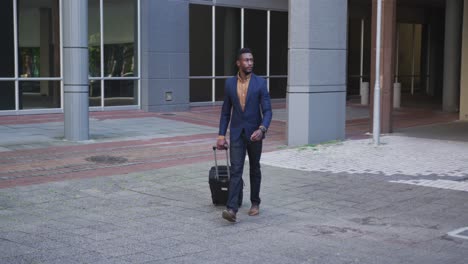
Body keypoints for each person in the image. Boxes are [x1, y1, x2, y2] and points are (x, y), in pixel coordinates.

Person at [217, 48, 272, 222]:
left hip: (255, 134)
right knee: (236, 170)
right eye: (246, 60)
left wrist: (262, 129)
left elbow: (268, 111)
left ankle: (255, 202)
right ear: (238, 63)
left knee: (254, 168)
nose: (249, 63)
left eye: (251, 60)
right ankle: (232, 209)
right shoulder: (229, 84)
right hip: (236, 134)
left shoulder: (260, 83)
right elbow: (226, 112)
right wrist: (221, 135)